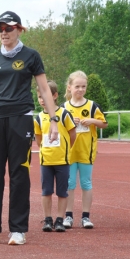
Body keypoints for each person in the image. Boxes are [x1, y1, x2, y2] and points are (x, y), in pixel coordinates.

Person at [0, 11, 59, 246]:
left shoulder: (31, 56)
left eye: (8, 28)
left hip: (21, 119)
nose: (4, 33)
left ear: (19, 29)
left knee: (19, 174)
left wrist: (53, 120)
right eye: (0, 29)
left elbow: (43, 89)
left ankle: (18, 229)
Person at [62, 71, 108, 230]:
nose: (80, 89)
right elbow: (58, 127)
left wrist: (92, 121)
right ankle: (68, 216)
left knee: (86, 183)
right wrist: (69, 123)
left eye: (83, 86)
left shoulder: (92, 105)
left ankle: (86, 217)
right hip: (69, 152)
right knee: (69, 183)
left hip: (86, 151)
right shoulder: (64, 108)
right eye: (77, 86)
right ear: (69, 87)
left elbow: (104, 123)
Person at [33, 81, 76, 232]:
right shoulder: (38, 117)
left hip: (62, 160)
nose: (42, 99)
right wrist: (45, 149)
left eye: (45, 95)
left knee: (62, 191)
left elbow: (72, 134)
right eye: (39, 96)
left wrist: (65, 149)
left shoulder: (63, 114)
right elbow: (38, 139)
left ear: (55, 95)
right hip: (46, 160)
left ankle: (59, 219)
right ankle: (47, 219)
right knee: (46, 191)